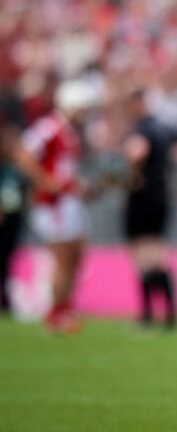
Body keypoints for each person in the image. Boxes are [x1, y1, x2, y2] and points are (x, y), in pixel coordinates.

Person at [11, 80, 100, 333]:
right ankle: (55, 314)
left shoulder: (71, 132)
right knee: (62, 258)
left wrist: (78, 187)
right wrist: (44, 181)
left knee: (75, 256)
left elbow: (65, 170)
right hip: (54, 205)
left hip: (69, 201)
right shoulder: (49, 126)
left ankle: (65, 308)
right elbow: (23, 153)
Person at [122, 89, 177, 330]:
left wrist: (133, 173)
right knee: (158, 253)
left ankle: (149, 314)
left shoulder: (142, 130)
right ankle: (169, 313)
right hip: (162, 196)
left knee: (143, 257)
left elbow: (136, 152)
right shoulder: (165, 129)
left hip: (143, 197)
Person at [0, 112, 29, 317]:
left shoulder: (17, 168)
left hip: (14, 217)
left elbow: (23, 191)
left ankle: (5, 299)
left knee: (7, 259)